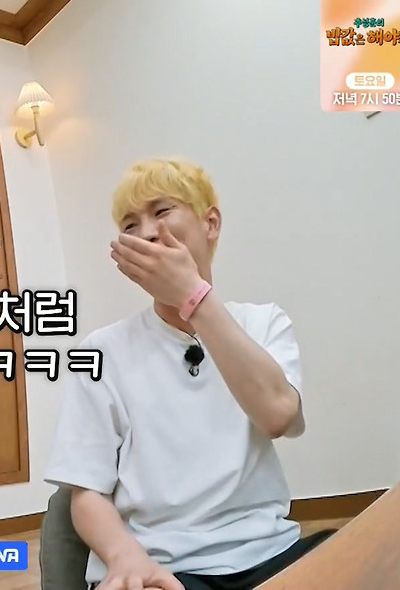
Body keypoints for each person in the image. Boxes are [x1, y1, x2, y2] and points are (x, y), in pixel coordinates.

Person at [43, 157, 332, 590]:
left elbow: (278, 415)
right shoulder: (102, 350)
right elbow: (84, 491)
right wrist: (125, 557)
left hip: (269, 554)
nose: (146, 232)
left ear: (210, 223)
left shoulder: (263, 323)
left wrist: (193, 298)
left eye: (161, 211)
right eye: (130, 225)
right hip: (162, 567)